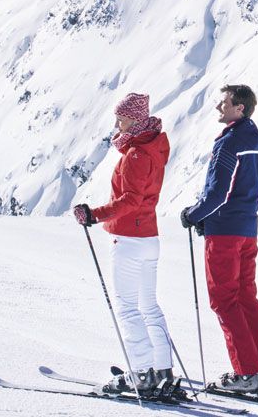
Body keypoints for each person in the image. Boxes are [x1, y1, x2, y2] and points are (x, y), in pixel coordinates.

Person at [73, 92, 179, 399]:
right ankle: (161, 370)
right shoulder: (153, 147)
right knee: (149, 306)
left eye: (121, 119)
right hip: (149, 238)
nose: (117, 125)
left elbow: (130, 201)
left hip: (130, 239)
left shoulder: (135, 155)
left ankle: (142, 374)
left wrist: (94, 215)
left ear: (134, 119)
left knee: (128, 308)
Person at [179, 84, 258, 394]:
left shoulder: (229, 143)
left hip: (224, 232)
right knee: (246, 297)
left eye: (224, 103)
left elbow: (218, 193)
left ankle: (246, 373)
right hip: (247, 229)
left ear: (240, 108)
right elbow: (254, 186)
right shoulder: (257, 143)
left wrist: (195, 215)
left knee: (224, 300)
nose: (218, 108)